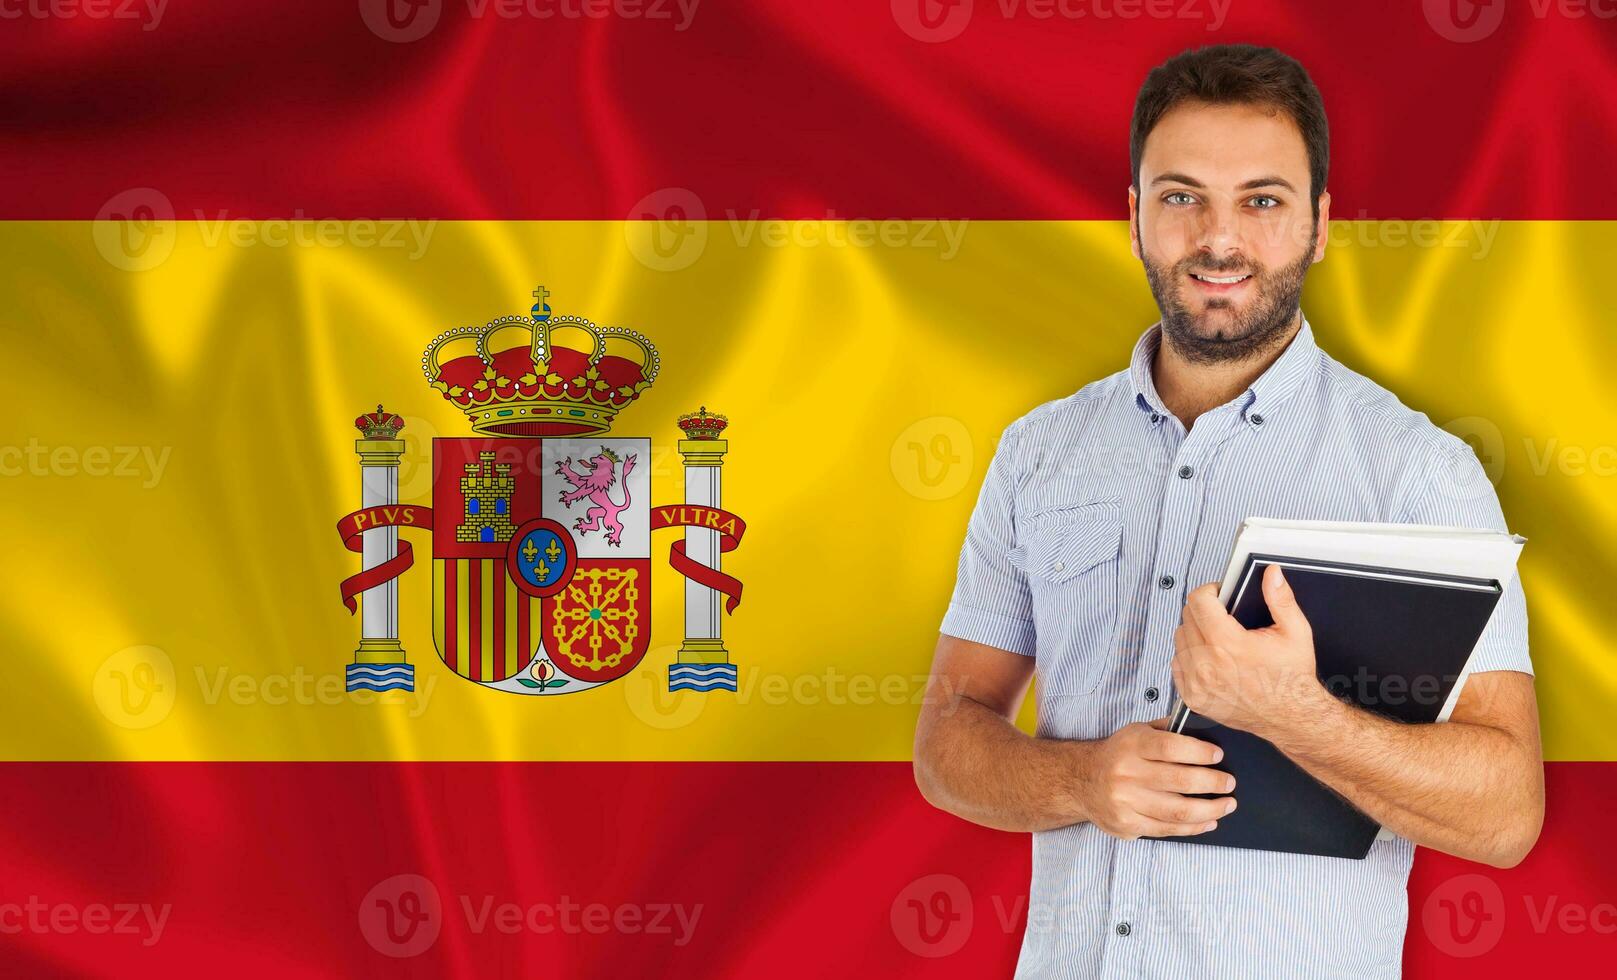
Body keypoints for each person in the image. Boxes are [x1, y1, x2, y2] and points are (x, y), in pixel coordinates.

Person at [913, 44, 1542, 978]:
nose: (1218, 238)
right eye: (1180, 196)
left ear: (1319, 225)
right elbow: (948, 737)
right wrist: (1081, 781)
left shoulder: (1416, 473)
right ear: (1133, 219)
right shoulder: (1037, 453)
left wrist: (1295, 715)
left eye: (1261, 200)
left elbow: (1504, 816)